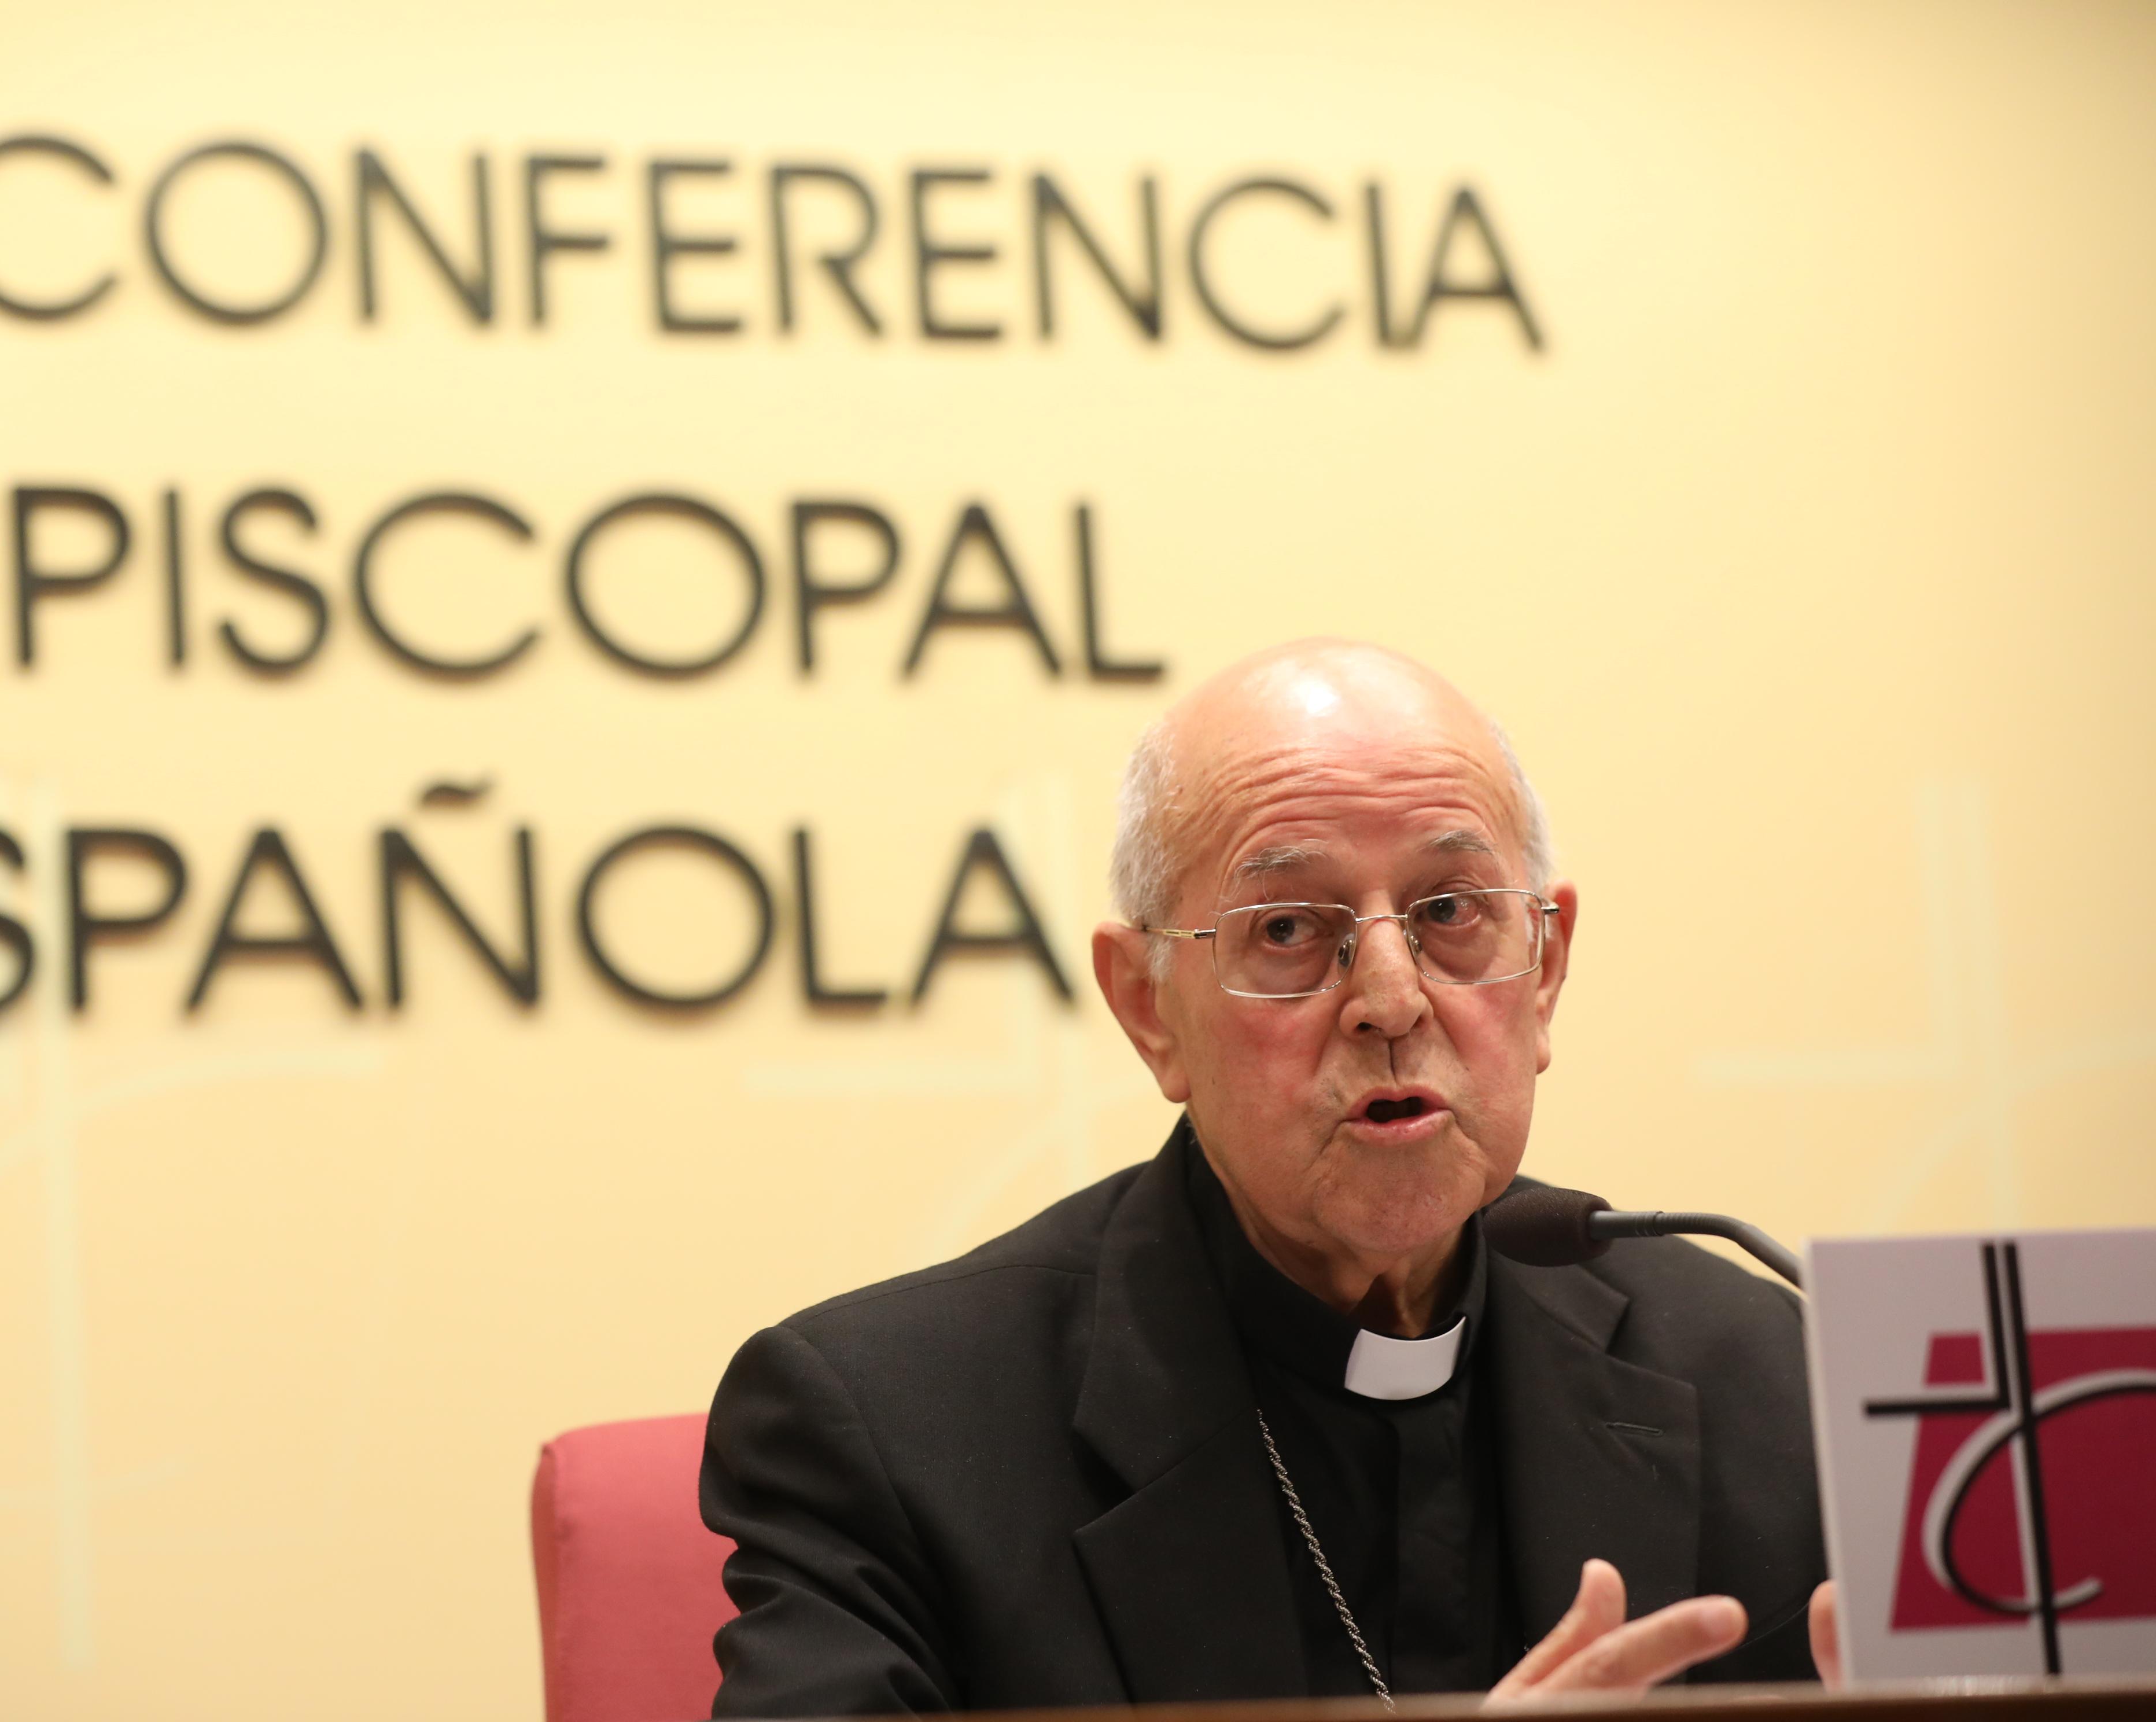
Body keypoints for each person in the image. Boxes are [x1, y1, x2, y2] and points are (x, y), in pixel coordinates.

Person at [700, 640, 1840, 1713]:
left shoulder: (1776, 1388)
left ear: (1545, 973)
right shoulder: (893, 1438)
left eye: (1451, 913)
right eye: (1290, 927)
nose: (1391, 999)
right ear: (1150, 1007)